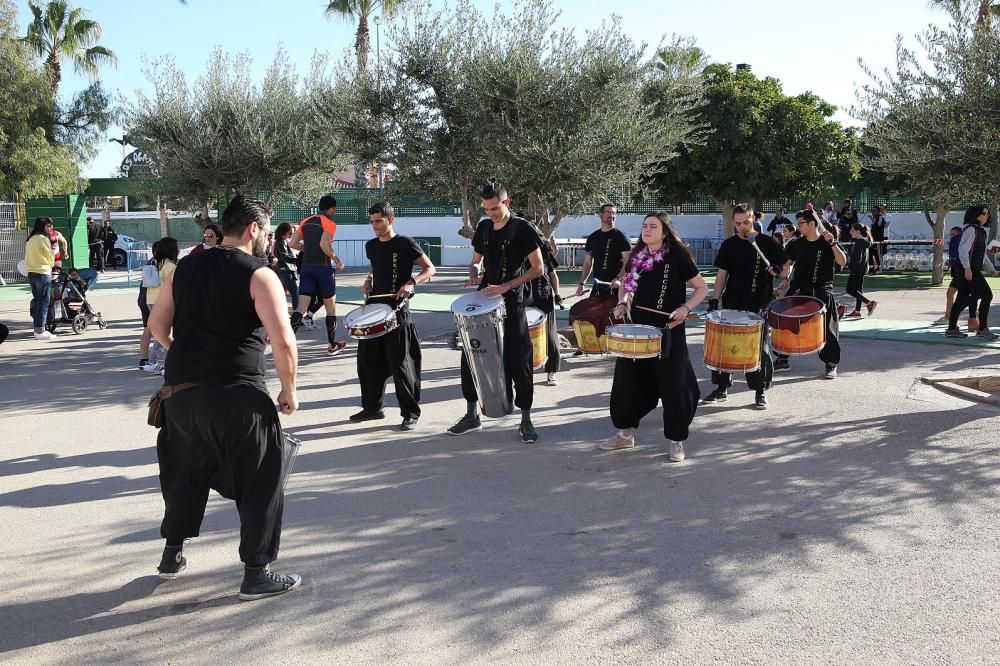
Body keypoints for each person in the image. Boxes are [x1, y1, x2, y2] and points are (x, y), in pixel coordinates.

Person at [148, 194, 301, 601]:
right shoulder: (261, 274)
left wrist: (186, 354)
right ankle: (256, 573)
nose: (268, 237)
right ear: (253, 228)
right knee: (262, 480)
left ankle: (171, 555)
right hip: (237, 395)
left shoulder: (183, 269)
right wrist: (289, 392)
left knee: (185, 474)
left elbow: (156, 324)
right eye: (266, 230)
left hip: (180, 396)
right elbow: (284, 343)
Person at [601, 212, 708, 461]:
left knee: (674, 387)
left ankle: (676, 441)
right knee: (626, 383)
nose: (647, 230)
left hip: (669, 329)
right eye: (644, 226)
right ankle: (625, 436)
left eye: (653, 226)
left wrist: (685, 308)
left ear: (665, 231)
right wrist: (621, 303)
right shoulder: (637, 256)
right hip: (638, 329)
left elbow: (701, 288)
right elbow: (627, 286)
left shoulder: (678, 256)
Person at [448, 179, 545, 443]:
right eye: (486, 209)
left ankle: (525, 419)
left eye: (495, 208)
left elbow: (539, 268)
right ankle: (471, 415)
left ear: (506, 202)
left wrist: (507, 285)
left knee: (519, 362)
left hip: (513, 304)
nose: (491, 214)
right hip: (484, 301)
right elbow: (476, 260)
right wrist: (473, 273)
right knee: (472, 356)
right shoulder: (484, 228)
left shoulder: (523, 229)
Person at [352, 201, 437, 430]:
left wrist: (411, 283)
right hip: (373, 310)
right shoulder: (371, 246)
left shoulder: (405, 243)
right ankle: (372, 409)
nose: (375, 226)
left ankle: (410, 413)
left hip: (397, 310)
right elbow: (376, 267)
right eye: (372, 222)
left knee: (401, 364)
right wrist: (369, 280)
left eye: (378, 221)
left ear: (390, 220)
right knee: (367, 363)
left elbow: (430, 268)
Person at [702, 204, 787, 409]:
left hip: (759, 304)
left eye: (746, 222)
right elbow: (722, 275)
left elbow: (784, 268)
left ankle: (760, 391)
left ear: (754, 219)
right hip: (732, 302)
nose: (742, 227)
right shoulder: (729, 245)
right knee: (725, 347)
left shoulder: (768, 243)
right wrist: (714, 300)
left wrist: (777, 269)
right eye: (738, 223)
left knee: (758, 349)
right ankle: (722, 388)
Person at [774, 208, 847, 378]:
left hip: (823, 289)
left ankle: (831, 363)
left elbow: (842, 261)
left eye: (801, 223)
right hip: (801, 288)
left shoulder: (828, 242)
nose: (798, 227)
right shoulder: (796, 244)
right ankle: (783, 359)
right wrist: (785, 279)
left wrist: (833, 244)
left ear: (812, 223)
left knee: (828, 329)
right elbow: (789, 264)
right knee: (788, 324)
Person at [290, 195, 346, 354]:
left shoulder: (305, 221)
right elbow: (324, 244)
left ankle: (289, 343)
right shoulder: (330, 223)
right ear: (331, 209)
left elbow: (292, 243)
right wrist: (336, 259)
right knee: (330, 309)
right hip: (323, 268)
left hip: (306, 268)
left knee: (301, 308)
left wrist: (306, 249)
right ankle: (332, 345)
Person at [946, 205, 997, 339]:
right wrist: (967, 268)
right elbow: (963, 249)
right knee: (987, 295)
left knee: (961, 299)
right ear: (976, 215)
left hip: (970, 269)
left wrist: (990, 268)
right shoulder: (971, 230)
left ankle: (951, 329)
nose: (987, 216)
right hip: (970, 270)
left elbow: (982, 254)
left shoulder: (980, 231)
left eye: (987, 213)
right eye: (984, 213)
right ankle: (983, 329)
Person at [575, 203, 632, 298]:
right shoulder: (593, 237)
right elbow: (588, 263)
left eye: (614, 213)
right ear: (600, 215)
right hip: (598, 286)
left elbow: (628, 261)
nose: (611, 215)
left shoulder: (621, 237)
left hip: (617, 287)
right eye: (608, 212)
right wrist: (582, 284)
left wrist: (618, 278)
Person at [140, 238, 179, 373]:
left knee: (160, 331)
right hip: (163, 300)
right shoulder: (170, 266)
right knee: (164, 332)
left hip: (150, 299)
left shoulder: (154, 262)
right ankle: (153, 361)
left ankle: (156, 361)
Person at [25, 217, 56, 340]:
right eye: (49, 226)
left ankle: (38, 328)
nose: (51, 228)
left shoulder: (30, 239)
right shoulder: (43, 239)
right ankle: (40, 331)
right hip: (43, 272)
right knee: (44, 302)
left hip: (31, 272)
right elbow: (50, 258)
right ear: (42, 226)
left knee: (38, 301)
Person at [844, 223, 877, 318]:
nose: (850, 232)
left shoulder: (859, 242)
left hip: (857, 269)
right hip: (862, 269)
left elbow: (857, 258)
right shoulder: (864, 241)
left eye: (852, 230)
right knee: (858, 290)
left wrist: (850, 266)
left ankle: (869, 303)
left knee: (849, 289)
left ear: (858, 232)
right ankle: (857, 311)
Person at [272, 222, 298, 307]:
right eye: (290, 233)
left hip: (282, 269)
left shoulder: (280, 241)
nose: (291, 235)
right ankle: (297, 315)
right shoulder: (281, 242)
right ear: (284, 232)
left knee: (282, 293)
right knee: (294, 292)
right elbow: (285, 257)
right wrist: (298, 260)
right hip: (285, 270)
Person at [870, 205, 891, 273]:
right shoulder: (875, 218)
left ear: (878, 211)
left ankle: (879, 268)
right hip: (873, 240)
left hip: (878, 240)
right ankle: (872, 268)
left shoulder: (881, 218)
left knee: (878, 254)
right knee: (872, 253)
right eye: (872, 211)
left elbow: (881, 227)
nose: (872, 212)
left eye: (874, 211)